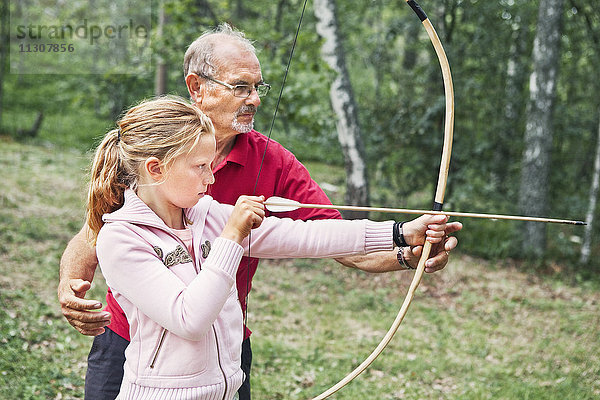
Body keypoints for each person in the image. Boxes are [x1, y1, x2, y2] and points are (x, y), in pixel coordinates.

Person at [58, 24, 462, 400]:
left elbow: (318, 236)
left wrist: (403, 239)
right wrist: (70, 283)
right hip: (132, 345)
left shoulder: (223, 199)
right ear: (196, 87)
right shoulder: (147, 154)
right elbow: (99, 232)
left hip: (224, 357)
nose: (254, 99)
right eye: (240, 87)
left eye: (257, 87)